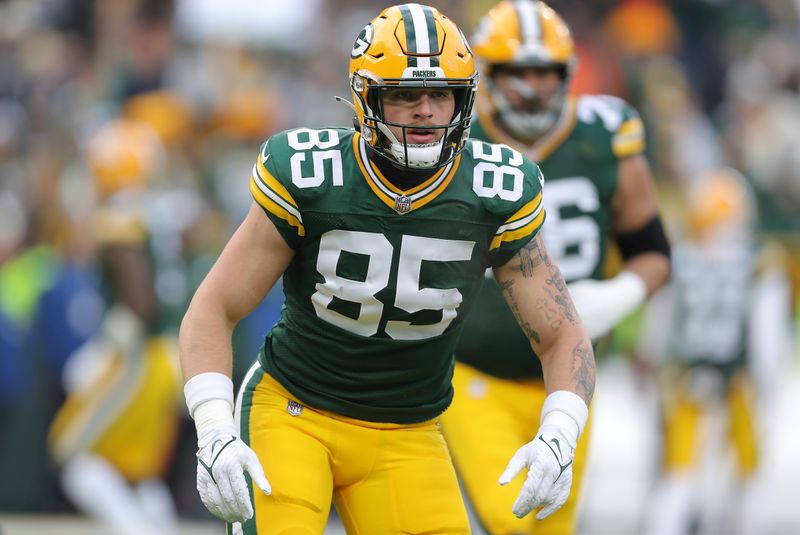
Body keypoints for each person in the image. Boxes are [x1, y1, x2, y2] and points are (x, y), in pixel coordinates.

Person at [179, 4, 595, 534]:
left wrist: (560, 432)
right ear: (366, 97)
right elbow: (214, 308)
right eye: (404, 94)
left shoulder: (495, 189)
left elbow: (563, 334)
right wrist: (213, 426)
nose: (425, 110)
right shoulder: (312, 173)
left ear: (464, 100)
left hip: (408, 431)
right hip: (292, 413)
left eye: (440, 94)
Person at [439, 2, 671, 534]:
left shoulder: (604, 135)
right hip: (476, 370)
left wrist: (617, 297)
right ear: (486, 76)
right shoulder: (451, 140)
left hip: (570, 376)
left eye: (544, 72)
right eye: (518, 72)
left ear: (567, 74)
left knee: (551, 527)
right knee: (509, 517)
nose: (533, 86)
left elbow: (654, 251)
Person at [47, 118, 182, 535]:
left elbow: (140, 301)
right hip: (163, 356)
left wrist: (106, 346)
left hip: (135, 358)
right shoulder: (154, 213)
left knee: (71, 452)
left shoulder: (120, 219)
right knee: (136, 470)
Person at [641, 169, 792, 535]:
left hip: (688, 378)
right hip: (740, 379)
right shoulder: (761, 261)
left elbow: (657, 331)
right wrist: (771, 386)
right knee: (748, 474)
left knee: (679, 472)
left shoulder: (680, 257)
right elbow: (767, 338)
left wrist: (652, 372)